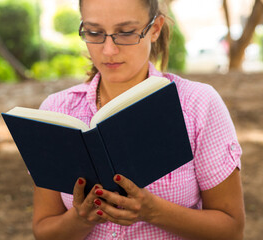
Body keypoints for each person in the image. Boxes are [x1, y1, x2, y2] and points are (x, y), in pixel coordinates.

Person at [32, 0, 245, 239]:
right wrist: (80, 219)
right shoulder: (57, 111)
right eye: (94, 32)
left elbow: (231, 228)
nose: (109, 50)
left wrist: (154, 212)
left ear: (154, 29)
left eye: (125, 33)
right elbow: (44, 230)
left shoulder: (196, 104)